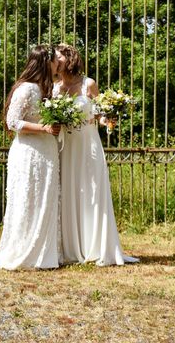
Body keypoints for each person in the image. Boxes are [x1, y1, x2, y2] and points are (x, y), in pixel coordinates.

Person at [54, 43, 138, 266]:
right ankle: (71, 248)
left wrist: (108, 118)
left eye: (58, 58)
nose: (55, 62)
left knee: (91, 192)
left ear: (69, 59)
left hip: (88, 144)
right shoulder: (55, 87)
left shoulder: (87, 84)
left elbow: (100, 115)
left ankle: (95, 246)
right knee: (69, 190)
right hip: (66, 145)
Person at [0, 44, 62, 270]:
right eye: (54, 61)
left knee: (44, 198)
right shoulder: (27, 89)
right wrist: (45, 129)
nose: (58, 64)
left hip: (47, 151)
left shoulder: (46, 89)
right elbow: (13, 122)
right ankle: (24, 251)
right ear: (45, 62)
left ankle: (44, 251)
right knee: (27, 199)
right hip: (29, 151)